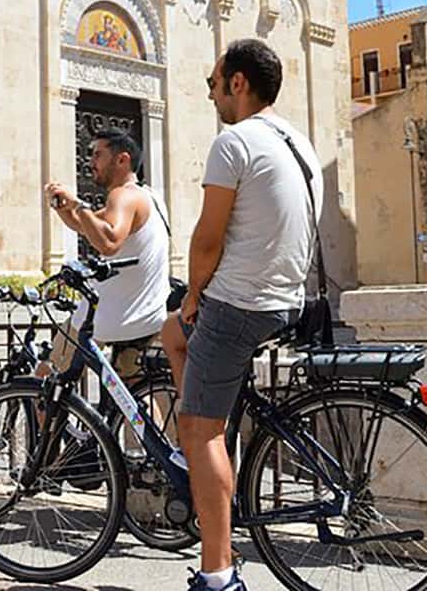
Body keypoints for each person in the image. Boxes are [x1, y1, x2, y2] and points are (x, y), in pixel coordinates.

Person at [162, 39, 322, 591]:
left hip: (239, 303)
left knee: (198, 429)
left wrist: (192, 294)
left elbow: (207, 240)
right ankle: (208, 445)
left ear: (237, 83)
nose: (209, 95)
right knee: (171, 336)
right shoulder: (299, 143)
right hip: (286, 300)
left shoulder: (233, 142)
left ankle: (217, 573)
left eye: (212, 83)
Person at [43, 129, 170, 384]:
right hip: (147, 319)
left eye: (98, 155)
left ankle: (44, 422)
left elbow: (109, 241)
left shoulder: (122, 195)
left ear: (122, 159)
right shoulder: (151, 197)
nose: (90, 163)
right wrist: (63, 207)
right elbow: (85, 225)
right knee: (136, 405)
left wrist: (77, 203)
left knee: (46, 382)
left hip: (109, 319)